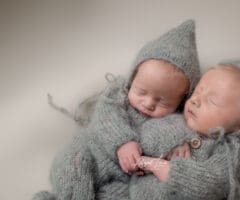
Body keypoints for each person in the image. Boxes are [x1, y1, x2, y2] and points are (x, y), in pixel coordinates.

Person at [32, 19, 201, 200]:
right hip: (89, 154)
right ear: (132, 80)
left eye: (163, 101)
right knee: (73, 164)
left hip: (125, 178)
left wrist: (180, 140)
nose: (149, 103)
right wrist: (123, 142)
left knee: (121, 195)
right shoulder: (116, 95)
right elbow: (106, 116)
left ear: (181, 101)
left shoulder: (176, 118)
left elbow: (182, 130)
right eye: (141, 91)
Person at [124, 59, 240, 200]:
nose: (196, 100)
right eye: (198, 91)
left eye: (212, 101)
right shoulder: (174, 119)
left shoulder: (229, 154)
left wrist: (154, 164)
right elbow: (145, 135)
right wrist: (175, 138)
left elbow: (208, 186)